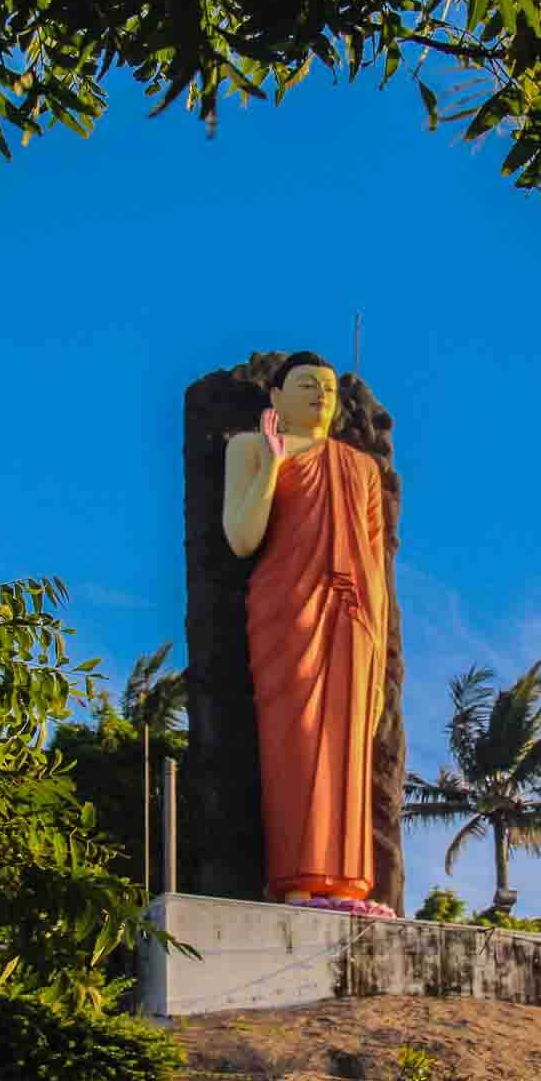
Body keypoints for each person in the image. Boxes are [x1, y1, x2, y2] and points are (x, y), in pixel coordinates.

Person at [221, 354, 388, 903]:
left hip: (353, 617)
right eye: (306, 384)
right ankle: (296, 879)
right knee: (296, 739)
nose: (320, 394)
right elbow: (242, 538)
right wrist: (272, 462)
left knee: (346, 746)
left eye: (329, 388)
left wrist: (379, 650)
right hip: (288, 610)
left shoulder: (360, 468)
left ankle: (348, 881)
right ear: (276, 395)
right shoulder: (249, 448)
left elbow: (374, 564)